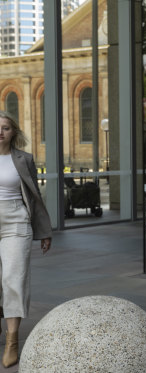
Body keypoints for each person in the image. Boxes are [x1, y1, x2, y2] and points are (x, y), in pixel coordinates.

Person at [0, 111, 52, 368]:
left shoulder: (23, 159)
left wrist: (44, 231)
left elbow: (34, 196)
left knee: (14, 280)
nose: (0, 131)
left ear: (14, 133)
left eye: (6, 128)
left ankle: (12, 341)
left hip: (16, 223)